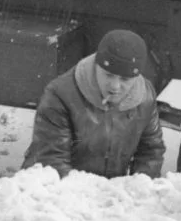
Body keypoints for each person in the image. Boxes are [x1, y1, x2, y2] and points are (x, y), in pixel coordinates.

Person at [23, 28, 166, 178]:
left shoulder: (145, 97)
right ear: (96, 65)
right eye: (108, 75)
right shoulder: (61, 95)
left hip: (106, 192)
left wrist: (138, 187)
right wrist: (92, 196)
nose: (115, 86)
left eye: (125, 79)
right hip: (57, 192)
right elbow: (51, 162)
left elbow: (151, 152)